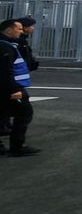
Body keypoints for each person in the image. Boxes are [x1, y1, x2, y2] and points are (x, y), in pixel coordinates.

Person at [0, 19, 37, 157]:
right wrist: (14, 90)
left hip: (8, 87)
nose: (21, 32)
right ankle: (17, 147)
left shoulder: (8, 45)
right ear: (9, 30)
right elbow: (5, 71)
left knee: (3, 115)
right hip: (10, 88)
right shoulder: (5, 47)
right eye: (19, 29)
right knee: (24, 113)